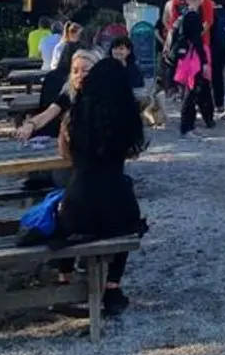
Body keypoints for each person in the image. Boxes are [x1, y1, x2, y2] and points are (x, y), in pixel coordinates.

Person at [54, 57, 147, 316]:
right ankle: (112, 287)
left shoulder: (74, 115)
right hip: (116, 200)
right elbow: (131, 153)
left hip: (80, 200)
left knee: (62, 220)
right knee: (130, 220)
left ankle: (64, 279)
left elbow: (65, 155)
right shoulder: (127, 117)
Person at [16, 49, 101, 141]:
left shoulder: (106, 95)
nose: (79, 75)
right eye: (75, 71)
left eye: (85, 70)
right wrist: (31, 124)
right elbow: (48, 113)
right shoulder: (70, 93)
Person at [173, 0, 214, 138]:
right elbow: (196, 40)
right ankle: (186, 126)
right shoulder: (193, 16)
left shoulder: (185, 14)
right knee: (191, 92)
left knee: (191, 92)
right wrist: (204, 61)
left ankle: (189, 125)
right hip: (193, 56)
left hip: (188, 55)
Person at [210, 0, 225, 115]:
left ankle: (208, 104)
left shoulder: (210, 13)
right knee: (219, 78)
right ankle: (220, 105)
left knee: (209, 79)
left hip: (212, 49)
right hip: (223, 49)